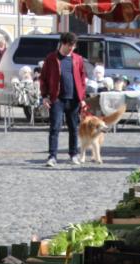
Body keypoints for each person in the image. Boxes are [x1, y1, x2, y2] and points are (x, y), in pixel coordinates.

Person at [39, 32, 87, 168]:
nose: (72, 48)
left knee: (73, 128)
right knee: (55, 128)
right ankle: (52, 156)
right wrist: (44, 96)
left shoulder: (78, 59)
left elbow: (82, 79)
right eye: (69, 45)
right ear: (63, 43)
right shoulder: (51, 58)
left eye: (74, 45)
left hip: (74, 99)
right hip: (57, 99)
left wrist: (82, 98)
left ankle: (73, 154)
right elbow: (43, 78)